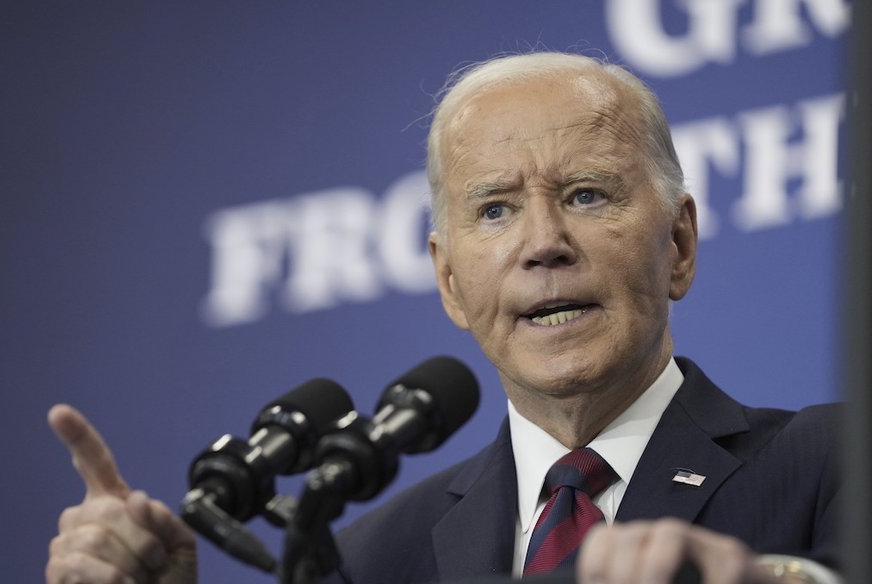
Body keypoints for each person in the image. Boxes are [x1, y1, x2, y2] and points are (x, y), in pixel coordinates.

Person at [45, 52, 839, 584]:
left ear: (678, 245)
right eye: (495, 210)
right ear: (450, 282)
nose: (543, 243)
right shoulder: (369, 559)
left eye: (586, 195)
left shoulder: (836, 460)